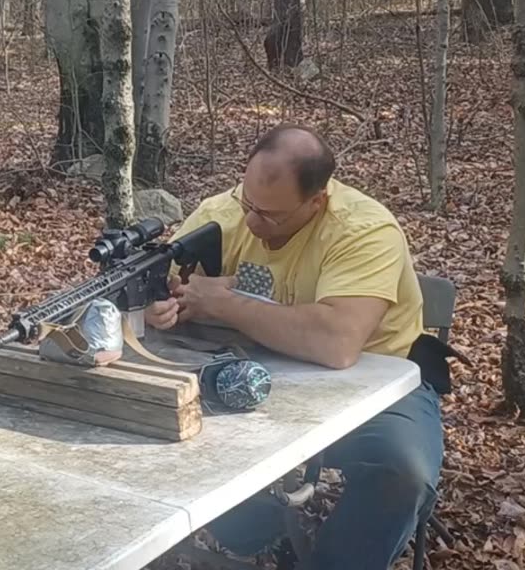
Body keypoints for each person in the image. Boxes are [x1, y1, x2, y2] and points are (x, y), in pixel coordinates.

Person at [143, 123, 443, 570]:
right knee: (159, 427)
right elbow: (165, 287)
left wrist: (226, 305)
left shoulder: (363, 229)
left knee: (402, 472)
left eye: (270, 215)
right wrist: (155, 308)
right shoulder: (220, 213)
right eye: (247, 203)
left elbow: (339, 343)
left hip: (378, 383)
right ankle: (266, 534)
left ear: (317, 201)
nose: (250, 221)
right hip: (242, 370)